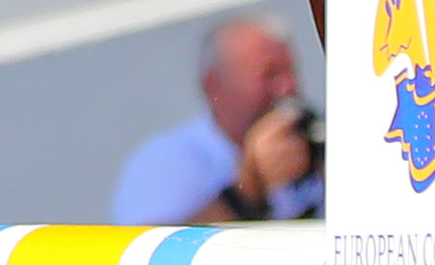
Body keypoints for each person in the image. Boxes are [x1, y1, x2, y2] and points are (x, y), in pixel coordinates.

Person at [110, 14, 323, 223]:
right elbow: (156, 252)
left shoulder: (313, 137)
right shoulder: (164, 163)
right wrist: (248, 190)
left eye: (291, 72)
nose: (287, 87)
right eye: (269, 75)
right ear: (214, 86)